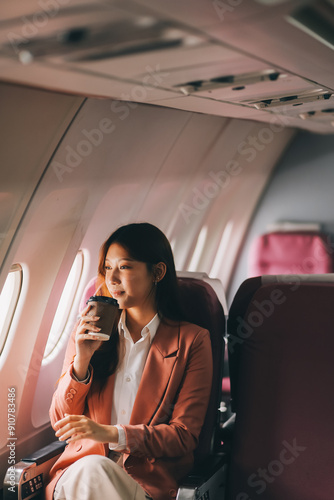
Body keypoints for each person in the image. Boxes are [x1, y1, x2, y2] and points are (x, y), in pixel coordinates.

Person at [46, 223, 213, 500]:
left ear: (157, 272)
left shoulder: (192, 342)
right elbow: (60, 421)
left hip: (144, 485)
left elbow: (183, 436)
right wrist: (82, 359)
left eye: (124, 267)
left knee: (95, 472)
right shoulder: (88, 332)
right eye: (107, 268)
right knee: (92, 469)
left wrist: (112, 433)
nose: (111, 278)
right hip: (78, 475)